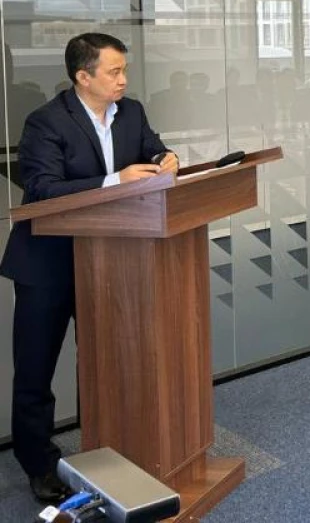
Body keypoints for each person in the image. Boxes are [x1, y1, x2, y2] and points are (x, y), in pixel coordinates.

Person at [0, 33, 178, 504]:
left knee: (104, 364)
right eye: (114, 72)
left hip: (110, 261)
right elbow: (42, 189)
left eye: (124, 70)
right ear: (83, 76)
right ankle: (39, 465)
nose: (123, 80)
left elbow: (153, 148)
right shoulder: (46, 121)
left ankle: (105, 450)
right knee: (36, 370)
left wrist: (166, 159)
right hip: (47, 264)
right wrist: (114, 181)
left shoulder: (131, 112)